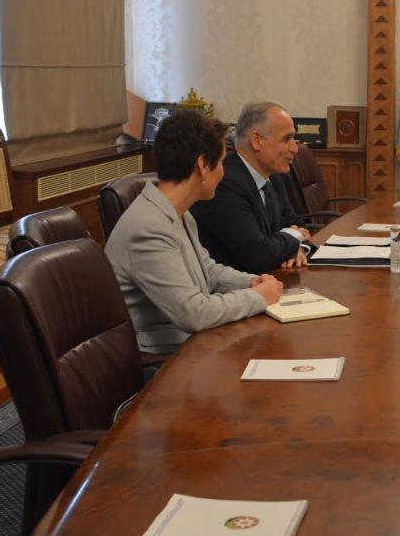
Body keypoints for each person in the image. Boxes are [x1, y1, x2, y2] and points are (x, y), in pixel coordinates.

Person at [106, 109, 283, 356]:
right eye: (221, 163)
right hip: (163, 359)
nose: (223, 172)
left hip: (194, 344)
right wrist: (257, 297)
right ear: (202, 165)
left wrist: (252, 282)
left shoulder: (179, 212)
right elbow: (194, 313)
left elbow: (207, 271)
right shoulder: (149, 228)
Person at [192, 101, 313, 274]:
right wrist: (294, 238)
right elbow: (257, 255)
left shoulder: (273, 176)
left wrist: (297, 248)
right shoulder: (224, 182)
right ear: (257, 141)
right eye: (286, 139)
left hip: (272, 278)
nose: (295, 148)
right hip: (237, 285)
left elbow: (299, 225)